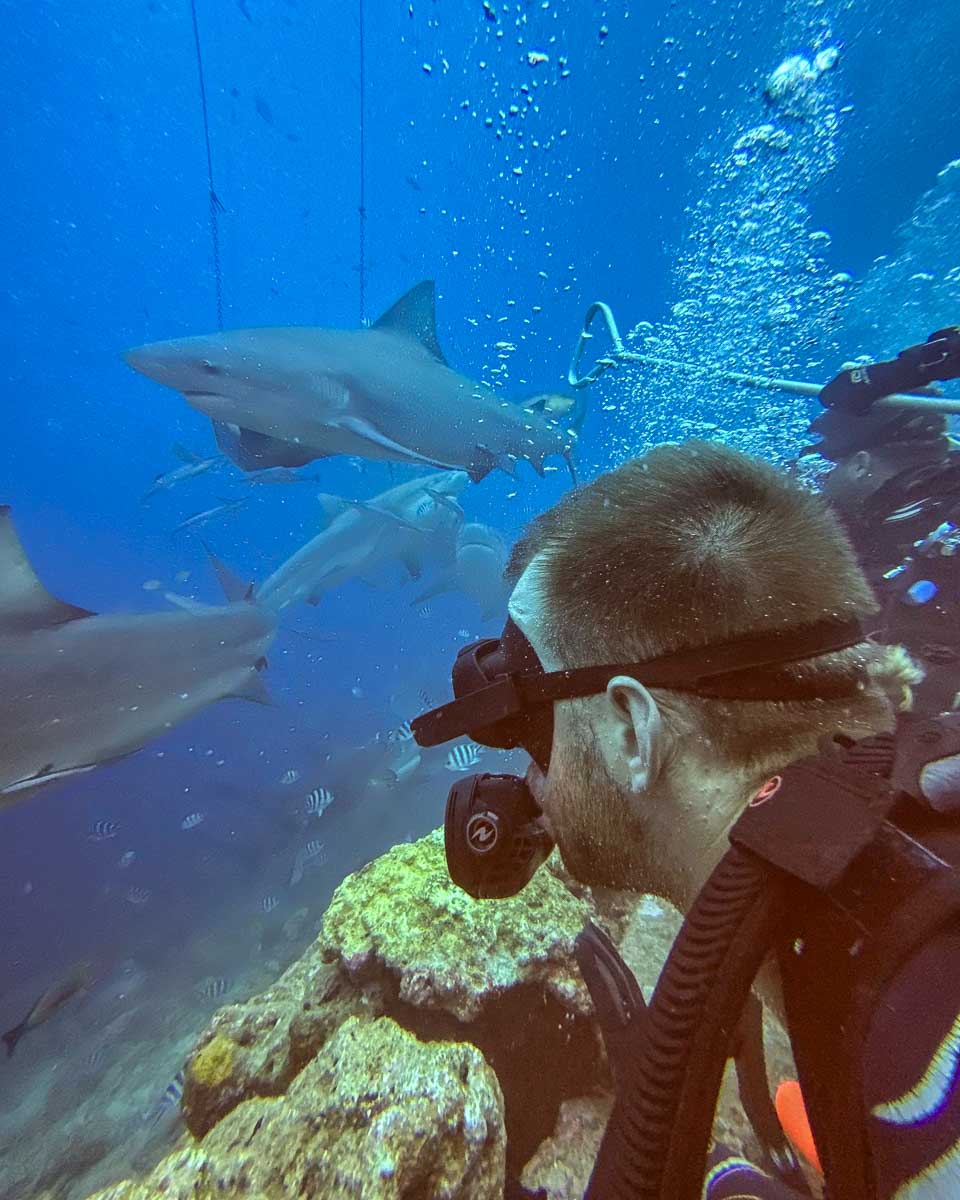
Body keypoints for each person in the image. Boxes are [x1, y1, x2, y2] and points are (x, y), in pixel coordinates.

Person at [415, 439, 960, 1198]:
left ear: (634, 732)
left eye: (531, 724)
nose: (529, 776)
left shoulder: (925, 1058)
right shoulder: (889, 866)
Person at [805, 327, 960, 714]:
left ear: (859, 464)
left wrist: (913, 367)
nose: (819, 479)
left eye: (829, 466)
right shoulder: (887, 525)